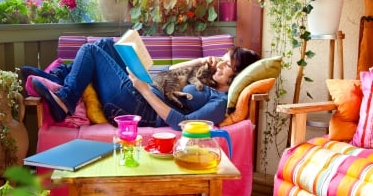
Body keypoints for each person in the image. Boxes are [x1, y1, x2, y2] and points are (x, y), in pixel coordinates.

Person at [22, 38, 260, 131]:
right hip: (142, 92)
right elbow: (166, 73)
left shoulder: (218, 102)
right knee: (105, 45)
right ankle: (58, 81)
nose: (219, 64)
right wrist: (198, 61)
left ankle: (64, 99)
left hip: (140, 108)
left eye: (226, 64)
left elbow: (183, 125)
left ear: (237, 75)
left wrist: (145, 91)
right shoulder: (205, 80)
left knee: (91, 50)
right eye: (222, 59)